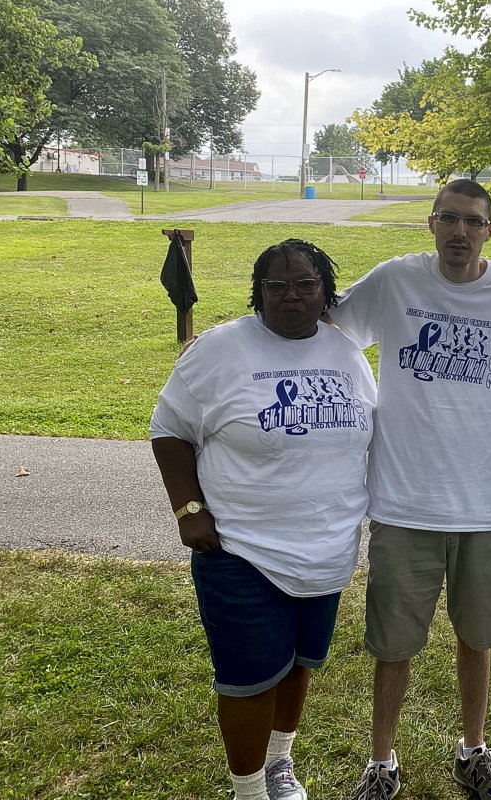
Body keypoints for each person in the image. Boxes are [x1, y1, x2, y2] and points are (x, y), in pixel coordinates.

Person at [330, 179, 491, 800]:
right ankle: (382, 762)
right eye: (449, 218)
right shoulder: (396, 280)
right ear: (431, 223)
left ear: (490, 231)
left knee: (477, 636)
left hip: (481, 503)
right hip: (404, 500)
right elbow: (329, 329)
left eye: (473, 221)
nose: (460, 232)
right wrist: (238, 333)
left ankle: (473, 751)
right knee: (394, 644)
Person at [150, 239, 377, 800]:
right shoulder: (220, 350)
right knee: (249, 680)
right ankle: (248, 790)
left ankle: (278, 764)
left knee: (298, 665)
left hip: (327, 550)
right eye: (276, 285)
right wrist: (188, 509)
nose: (291, 295)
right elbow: (169, 430)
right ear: (259, 291)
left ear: (325, 291)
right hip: (240, 549)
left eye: (305, 284)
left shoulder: (345, 351)